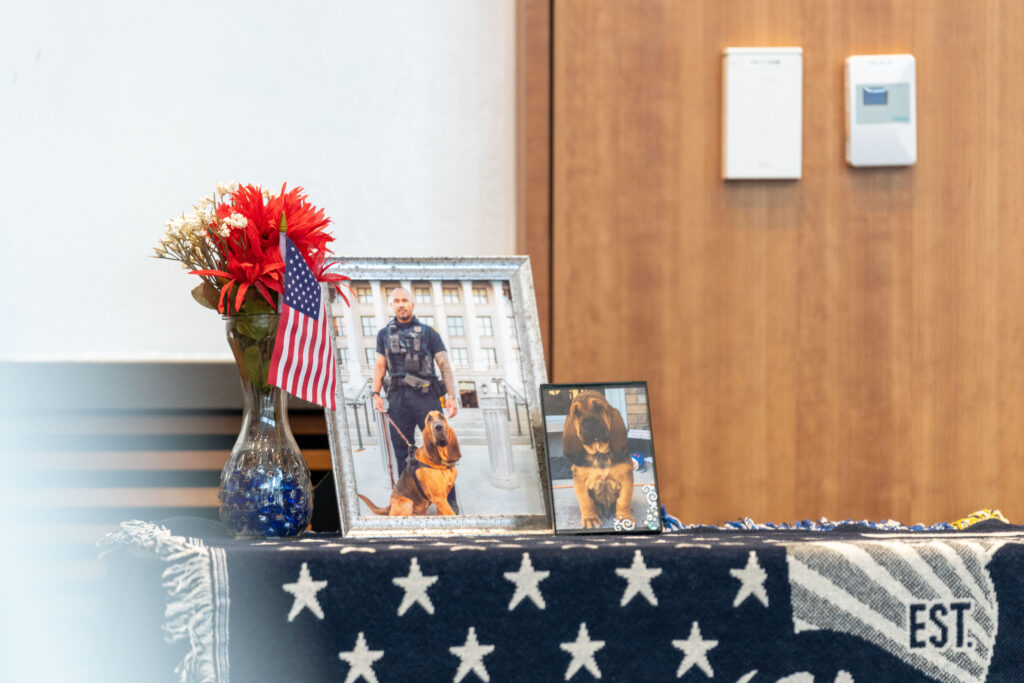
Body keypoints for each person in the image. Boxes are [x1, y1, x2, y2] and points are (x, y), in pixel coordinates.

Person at [371, 288, 460, 504]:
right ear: (392, 305)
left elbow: (444, 365)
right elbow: (380, 366)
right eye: (396, 301)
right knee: (403, 452)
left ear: (412, 304)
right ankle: (411, 498)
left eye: (404, 301)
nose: (401, 304)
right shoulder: (383, 334)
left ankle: (449, 500)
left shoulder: (429, 332)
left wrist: (451, 395)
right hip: (397, 398)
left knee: (440, 445)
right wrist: (375, 393)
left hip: (426, 397)